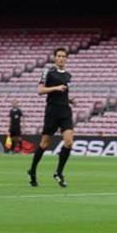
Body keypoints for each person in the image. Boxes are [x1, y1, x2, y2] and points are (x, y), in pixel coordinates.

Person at [28, 47, 75, 188]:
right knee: (44, 144)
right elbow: (40, 90)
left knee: (69, 142)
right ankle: (32, 170)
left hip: (65, 111)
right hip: (52, 111)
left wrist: (70, 99)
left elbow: (64, 92)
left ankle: (59, 172)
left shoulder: (68, 75)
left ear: (66, 59)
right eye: (59, 56)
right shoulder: (47, 72)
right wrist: (55, 88)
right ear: (55, 58)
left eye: (63, 56)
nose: (61, 58)